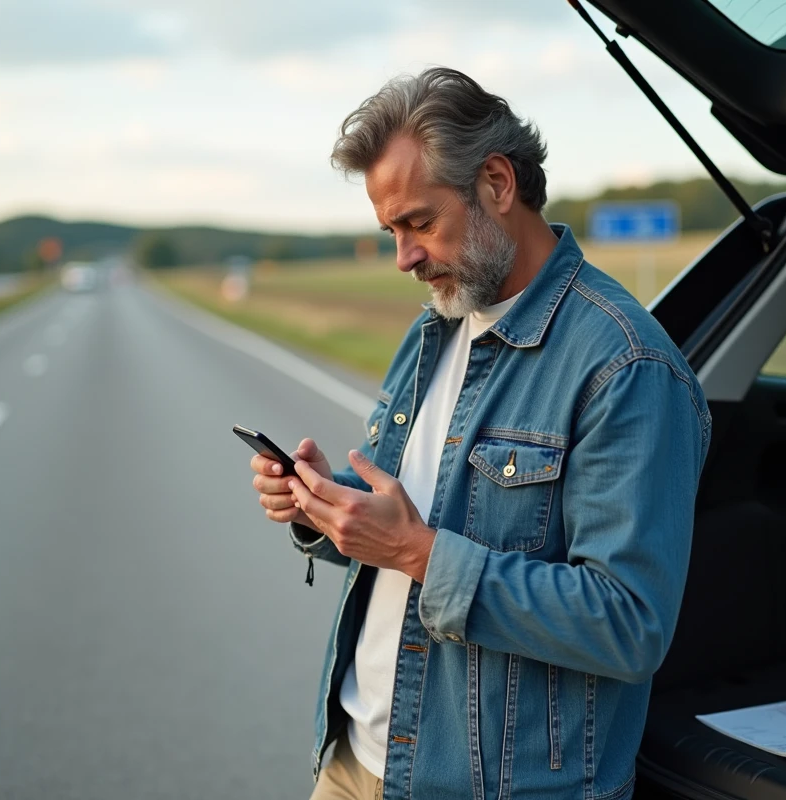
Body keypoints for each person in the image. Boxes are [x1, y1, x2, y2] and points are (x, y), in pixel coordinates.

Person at [249, 67, 712, 800]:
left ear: (497, 183)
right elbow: (426, 520)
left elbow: (628, 624)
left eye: (418, 223)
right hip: (353, 758)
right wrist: (326, 509)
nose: (403, 257)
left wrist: (413, 549)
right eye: (390, 231)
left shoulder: (626, 366)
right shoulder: (435, 327)